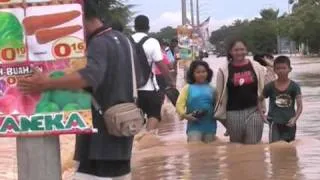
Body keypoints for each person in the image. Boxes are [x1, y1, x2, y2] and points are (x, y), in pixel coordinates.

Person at [18, 1, 134, 179]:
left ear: (81, 16)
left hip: (101, 135)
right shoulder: (123, 40)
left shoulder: (99, 43)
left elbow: (88, 77)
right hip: (122, 127)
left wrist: (45, 83)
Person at [215, 39, 267, 144]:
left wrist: (269, 65)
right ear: (230, 52)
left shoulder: (256, 66)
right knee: (236, 146)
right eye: (236, 50)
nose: (239, 52)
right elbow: (219, 94)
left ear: (246, 50)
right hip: (233, 113)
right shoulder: (223, 70)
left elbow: (268, 85)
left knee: (253, 146)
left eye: (242, 49)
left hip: (255, 111)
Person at [132, 15, 173, 133]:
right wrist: (170, 81)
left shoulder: (126, 40)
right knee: (154, 114)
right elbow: (161, 64)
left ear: (134, 27)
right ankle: (147, 138)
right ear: (148, 27)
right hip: (149, 87)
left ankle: (136, 140)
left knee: (134, 117)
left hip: (130, 90)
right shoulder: (152, 42)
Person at [259, 56, 303, 143]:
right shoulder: (270, 87)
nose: (281, 71)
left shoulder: (294, 86)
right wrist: (262, 115)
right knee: (274, 147)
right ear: (274, 70)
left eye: (284, 68)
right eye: (278, 68)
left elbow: (300, 106)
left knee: (289, 149)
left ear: (290, 69)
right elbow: (259, 100)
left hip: (290, 122)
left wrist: (295, 118)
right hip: (274, 122)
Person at [176, 61, 217, 143]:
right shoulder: (187, 88)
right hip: (194, 126)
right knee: (194, 149)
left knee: (211, 152)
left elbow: (218, 107)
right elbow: (179, 105)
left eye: (204, 72)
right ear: (192, 74)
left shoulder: (213, 89)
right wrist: (185, 116)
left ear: (208, 73)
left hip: (210, 125)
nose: (201, 74)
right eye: (198, 72)